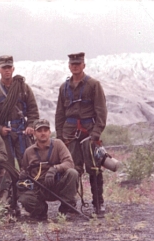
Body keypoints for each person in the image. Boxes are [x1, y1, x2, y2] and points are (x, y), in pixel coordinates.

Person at [55, 52, 108, 214]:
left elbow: (101, 110)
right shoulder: (64, 87)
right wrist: (60, 136)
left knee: (95, 168)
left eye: (78, 63)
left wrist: (96, 133)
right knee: (72, 169)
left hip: (89, 131)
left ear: (84, 65)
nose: (75, 66)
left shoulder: (93, 85)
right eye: (73, 64)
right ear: (69, 66)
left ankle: (98, 202)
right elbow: (60, 114)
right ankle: (69, 203)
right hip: (69, 134)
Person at [0, 55, 40, 167]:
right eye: (4, 68)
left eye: (9, 67)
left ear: (13, 68)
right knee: (6, 165)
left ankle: (27, 184)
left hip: (22, 132)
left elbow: (33, 110)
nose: (7, 70)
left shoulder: (24, 88)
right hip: (3, 135)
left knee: (27, 164)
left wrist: (30, 126)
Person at [17, 119, 79, 220]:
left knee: (72, 173)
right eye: (39, 131)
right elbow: (24, 170)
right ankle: (40, 210)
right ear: (34, 133)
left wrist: (55, 169)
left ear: (49, 132)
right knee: (24, 199)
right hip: (39, 188)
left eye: (45, 130)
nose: (43, 133)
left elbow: (69, 163)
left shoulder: (58, 144)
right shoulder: (28, 152)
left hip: (56, 184)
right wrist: (22, 175)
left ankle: (66, 207)